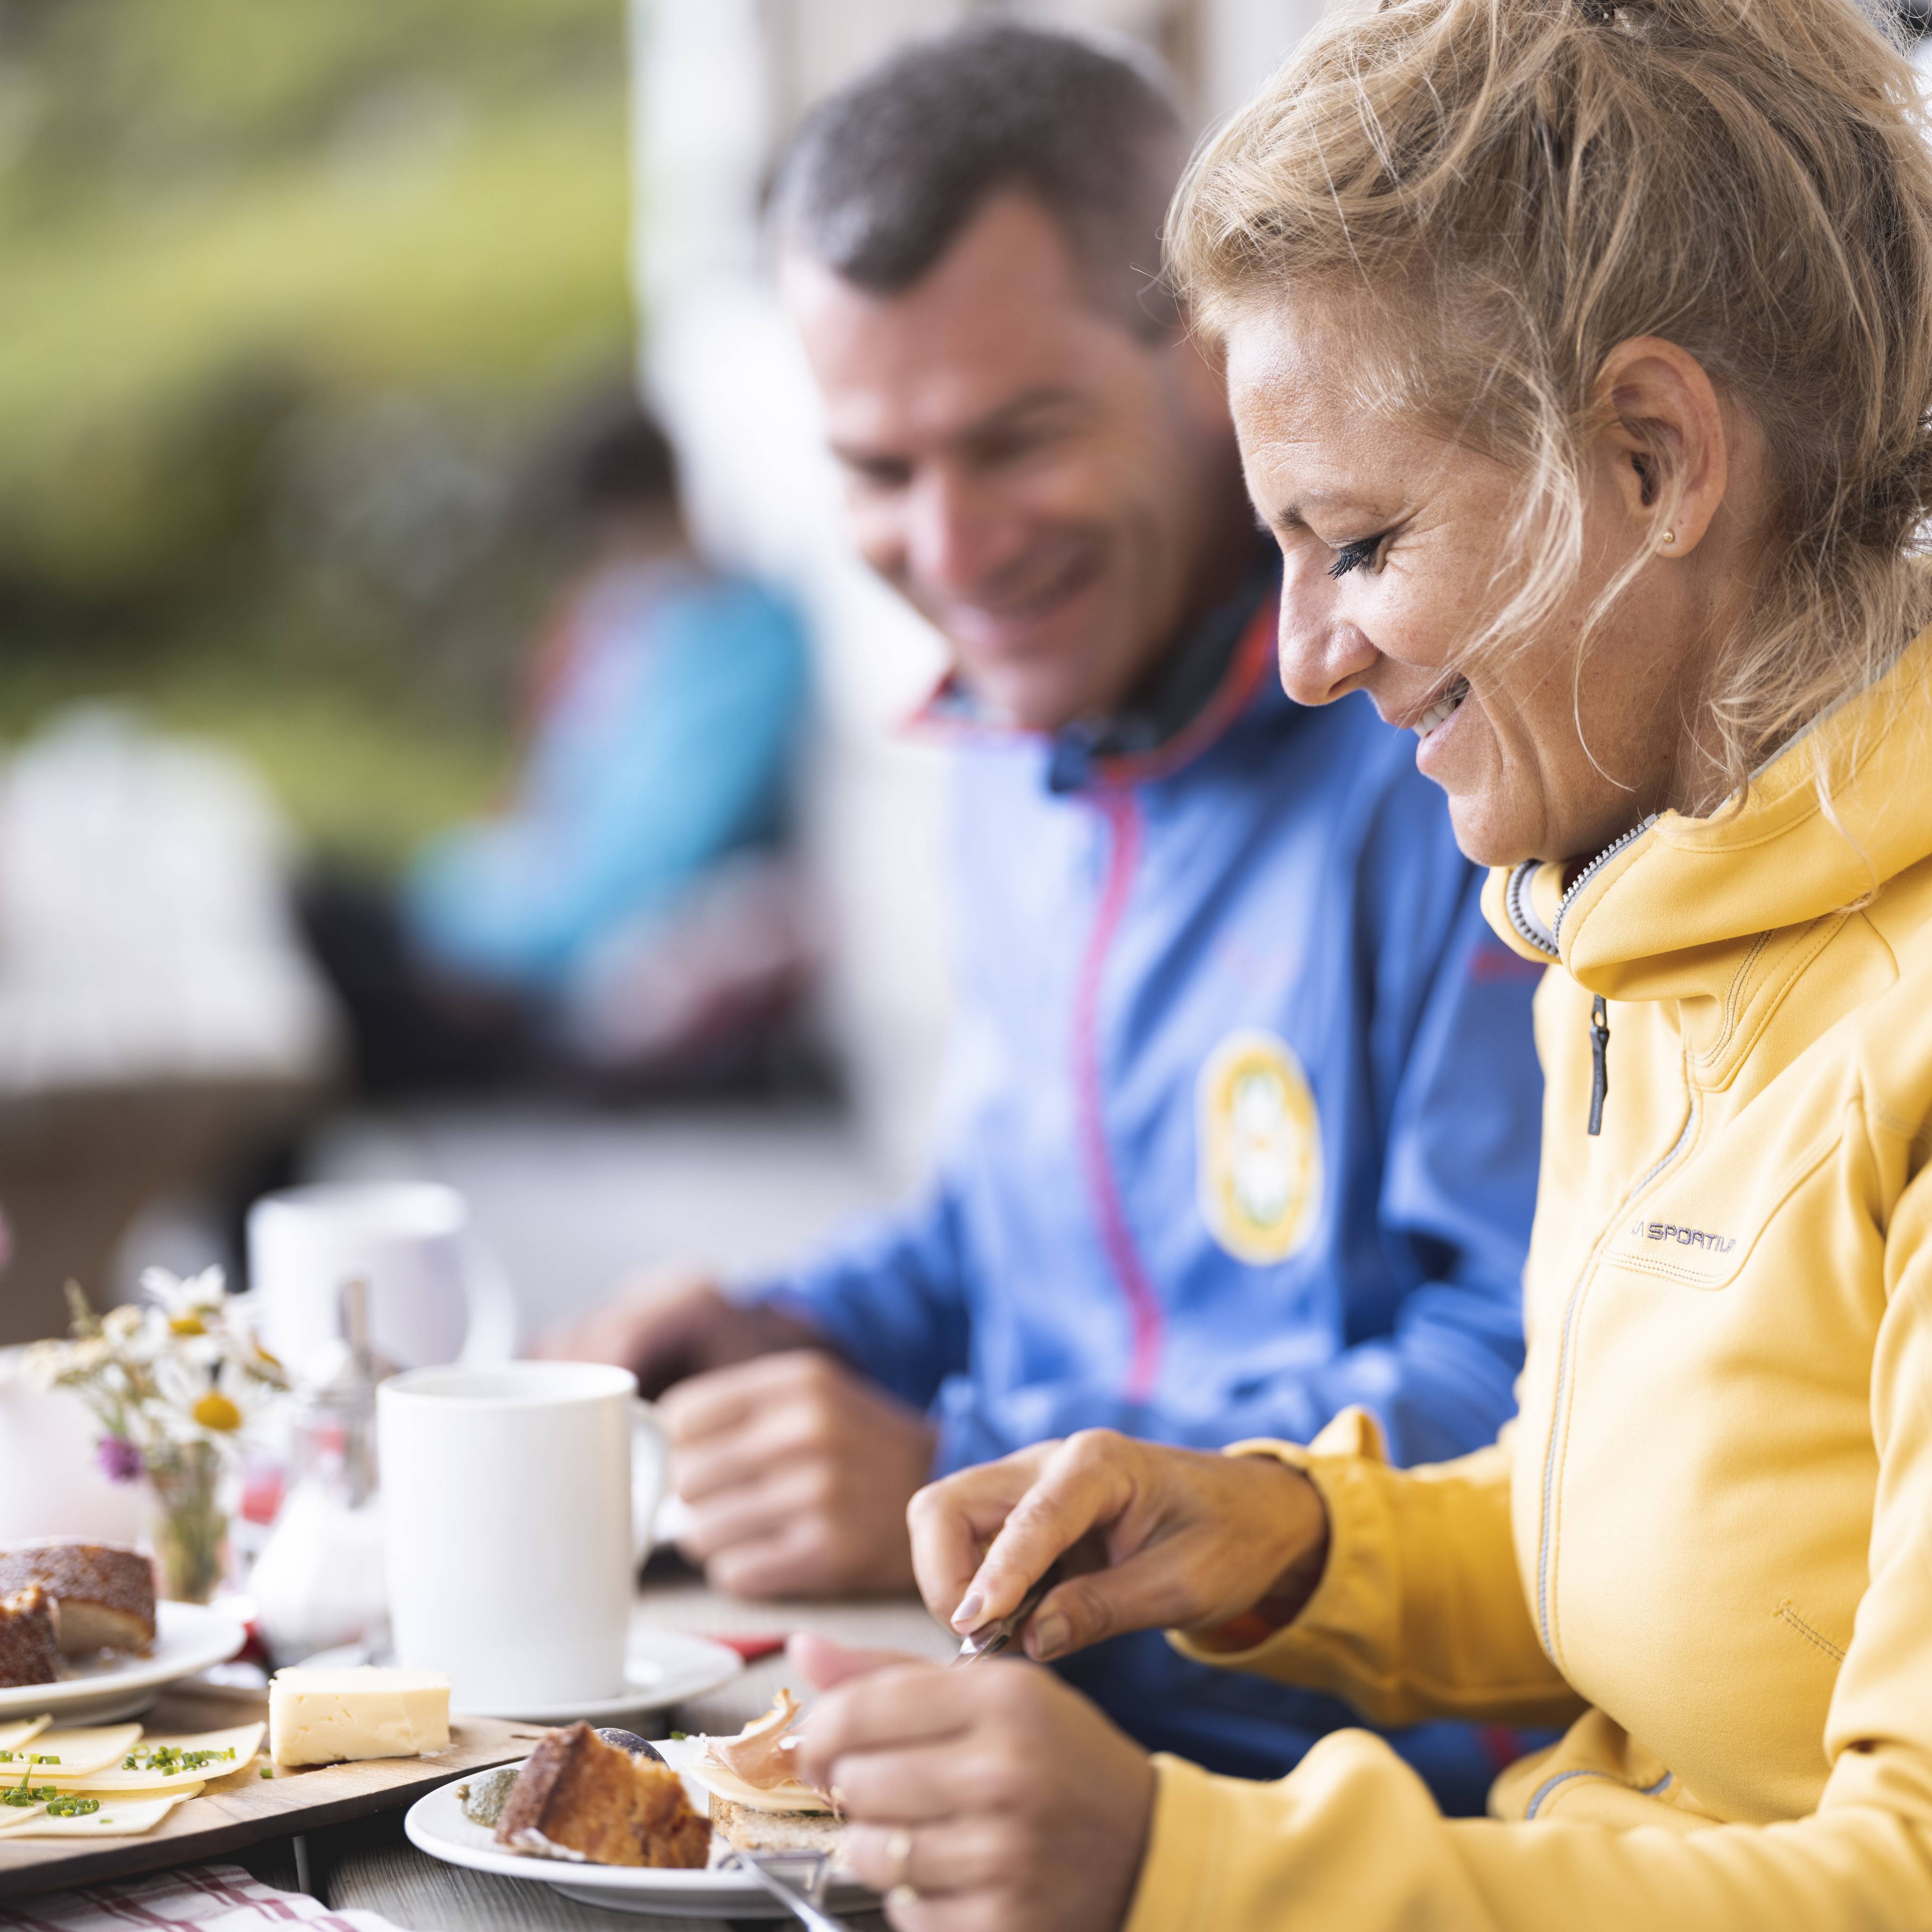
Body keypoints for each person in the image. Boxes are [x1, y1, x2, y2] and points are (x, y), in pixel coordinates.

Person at [781, 0, 1932, 1925]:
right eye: (1282, 552)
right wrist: (1282, 1532)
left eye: (1365, 543)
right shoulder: (1645, 933)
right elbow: (1684, 1570)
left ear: (1653, 457)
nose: (1308, 656)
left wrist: (1185, 1865)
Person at [546, 24, 1544, 1801]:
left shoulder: (1442, 747)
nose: (953, 546)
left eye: (1014, 440)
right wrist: (787, 1323)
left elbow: (1541, 1393)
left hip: (1372, 1800)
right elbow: (1022, 1230)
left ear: (1207, 359)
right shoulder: (1014, 735)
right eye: (874, 468)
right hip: (1032, 1712)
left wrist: (962, 1455)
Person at [302, 406, 812, 1093]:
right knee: (312, 902)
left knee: (323, 949)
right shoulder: (625, 623)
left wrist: (482, 934)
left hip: (551, 980)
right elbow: (550, 797)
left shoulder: (748, 646)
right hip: (497, 922)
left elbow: (645, 865)